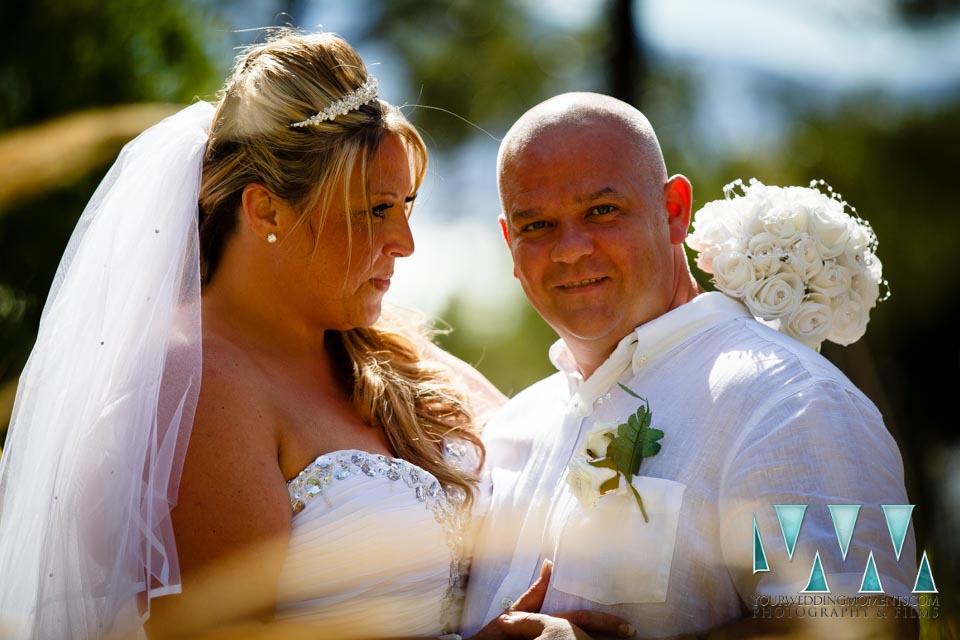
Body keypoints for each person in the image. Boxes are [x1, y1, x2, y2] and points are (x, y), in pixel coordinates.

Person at [0, 33, 630, 640]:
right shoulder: (197, 386)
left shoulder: (394, 350)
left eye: (406, 206)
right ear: (266, 210)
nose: (405, 243)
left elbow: (558, 439)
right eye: (376, 210)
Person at [461, 93, 919, 639]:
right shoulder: (510, 427)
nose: (570, 249)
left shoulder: (789, 400)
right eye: (536, 225)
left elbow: (865, 627)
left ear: (674, 210)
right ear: (509, 242)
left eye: (602, 211)